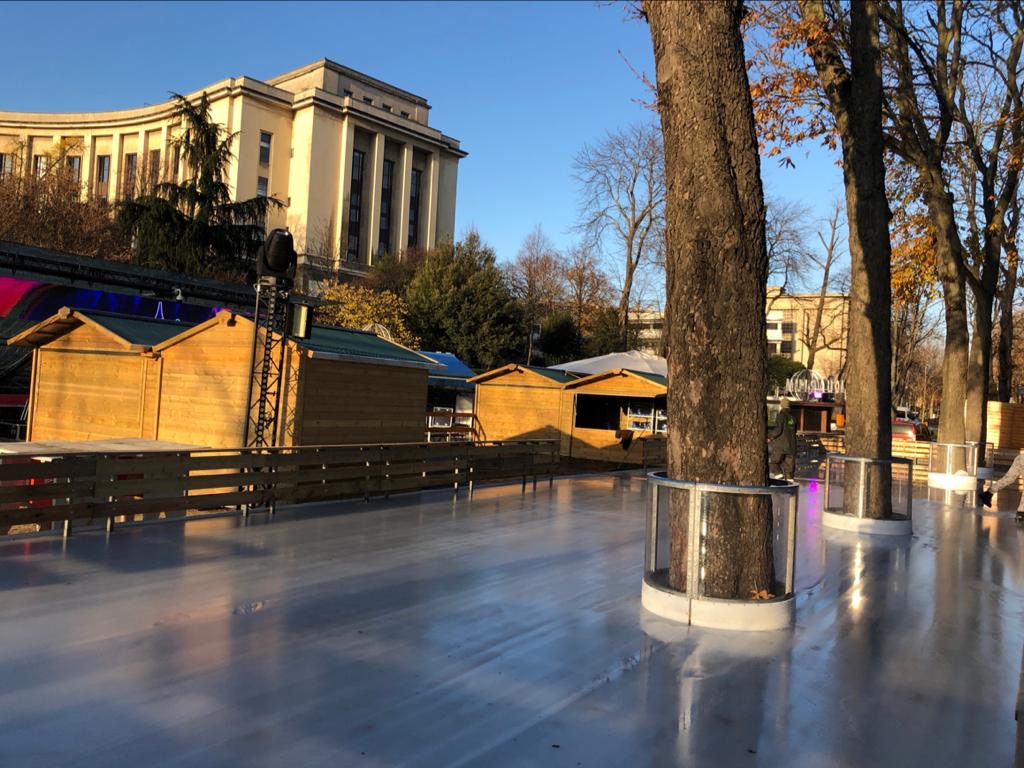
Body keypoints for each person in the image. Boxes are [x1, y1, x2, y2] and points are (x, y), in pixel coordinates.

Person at [981, 454, 1024, 521]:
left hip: (1020, 458)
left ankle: (989, 493)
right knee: (1009, 478)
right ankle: (1021, 514)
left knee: (1008, 479)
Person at [768, 398, 797, 480]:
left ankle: (780, 479)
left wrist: (770, 437)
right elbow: (795, 430)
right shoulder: (793, 417)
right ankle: (790, 485)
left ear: (781, 405)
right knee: (789, 469)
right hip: (791, 446)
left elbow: (778, 430)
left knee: (774, 463)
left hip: (780, 446)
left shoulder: (781, 415)